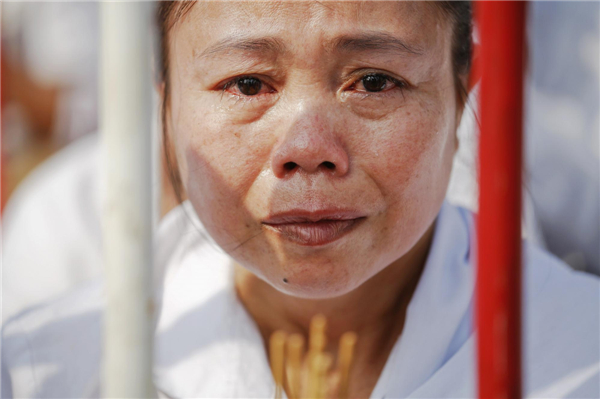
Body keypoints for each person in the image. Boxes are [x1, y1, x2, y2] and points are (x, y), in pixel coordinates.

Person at [2, 2, 599, 398]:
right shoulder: (45, 371)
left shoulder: (579, 351)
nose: (309, 149)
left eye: (372, 81)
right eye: (247, 83)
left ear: (461, 86)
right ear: (165, 102)